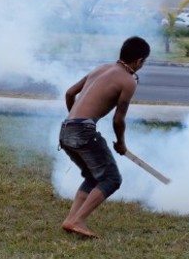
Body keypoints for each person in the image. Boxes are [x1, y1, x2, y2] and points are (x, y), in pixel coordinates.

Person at [59, 36, 150, 238]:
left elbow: (69, 93)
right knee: (111, 179)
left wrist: (75, 119)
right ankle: (77, 220)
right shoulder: (128, 81)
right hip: (82, 132)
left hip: (65, 130)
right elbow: (118, 120)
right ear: (139, 61)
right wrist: (121, 143)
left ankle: (71, 220)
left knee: (94, 176)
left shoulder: (101, 68)